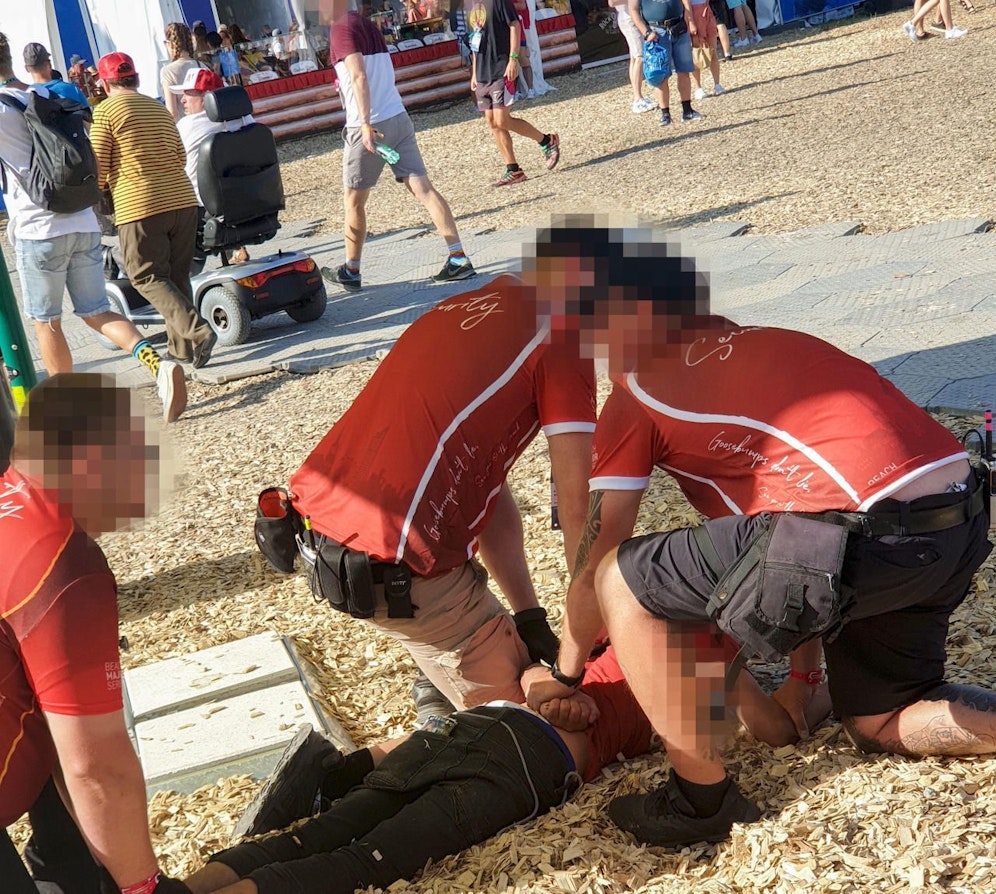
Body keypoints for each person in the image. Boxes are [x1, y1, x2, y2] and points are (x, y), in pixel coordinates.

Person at [523, 220, 994, 850]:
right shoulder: (771, 343)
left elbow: (596, 562)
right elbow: (787, 533)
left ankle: (698, 800)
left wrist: (567, 672)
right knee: (879, 721)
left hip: (860, 537)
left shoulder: (637, 391)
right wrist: (802, 685)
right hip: (958, 518)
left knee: (624, 580)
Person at [180, 644, 832, 894]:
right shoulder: (717, 660)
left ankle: (178, 890)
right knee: (366, 862)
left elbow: (536, 674)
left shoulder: (628, 621)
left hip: (480, 723)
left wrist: (552, 692)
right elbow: (780, 731)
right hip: (527, 766)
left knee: (316, 834)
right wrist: (808, 672)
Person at [256, 269, 597, 720]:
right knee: (539, 729)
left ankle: (436, 678)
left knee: (487, 660)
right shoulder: (567, 340)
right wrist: (575, 662)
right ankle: (418, 730)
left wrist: (529, 615)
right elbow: (580, 514)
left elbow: (485, 483)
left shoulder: (459, 310)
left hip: (323, 530)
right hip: (398, 565)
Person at [0, 373, 191, 894]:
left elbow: (62, 738)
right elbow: (96, 766)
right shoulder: (63, 568)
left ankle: (62, 875)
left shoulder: (11, 501)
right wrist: (143, 889)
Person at [0, 36, 185, 422]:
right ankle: (158, 364)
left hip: (38, 229)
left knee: (47, 322)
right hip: (82, 220)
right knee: (96, 310)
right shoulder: (43, 93)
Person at [323, 3, 477, 291]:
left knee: (353, 201)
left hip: (368, 124)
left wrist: (366, 124)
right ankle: (458, 258)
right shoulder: (365, 24)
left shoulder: (340, 28)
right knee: (424, 189)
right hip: (397, 115)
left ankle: (351, 269)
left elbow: (358, 76)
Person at [91, 51, 217, 368]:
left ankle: (198, 331)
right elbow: (180, 155)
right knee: (176, 276)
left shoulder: (106, 113)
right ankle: (181, 350)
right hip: (183, 200)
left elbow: (98, 166)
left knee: (145, 275)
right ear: (135, 78)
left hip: (140, 205)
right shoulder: (158, 108)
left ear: (106, 84)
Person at [469, 0, 560, 186]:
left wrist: (513, 59)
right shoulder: (472, 6)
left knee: (502, 119)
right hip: (482, 72)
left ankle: (547, 141)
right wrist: (474, 72)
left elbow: (514, 24)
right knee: (492, 122)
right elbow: (474, 39)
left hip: (502, 66)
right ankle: (513, 169)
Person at [173, 67, 251, 265]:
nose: (182, 100)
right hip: (250, 201)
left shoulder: (187, 126)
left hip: (203, 209)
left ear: (207, 98)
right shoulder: (247, 120)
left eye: (188, 95)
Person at [628, 0, 703, 125]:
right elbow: (633, 9)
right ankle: (665, 113)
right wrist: (646, 32)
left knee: (684, 71)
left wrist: (690, 21)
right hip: (656, 31)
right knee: (660, 74)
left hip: (679, 27)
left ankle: (687, 110)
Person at [609, 0, 657, 113]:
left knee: (635, 58)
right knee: (639, 57)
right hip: (629, 19)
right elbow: (612, 2)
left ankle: (639, 97)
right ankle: (637, 98)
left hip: (632, 18)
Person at [161, 22, 203, 121]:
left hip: (186, 128)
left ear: (170, 44)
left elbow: (172, 112)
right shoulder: (202, 66)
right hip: (207, 125)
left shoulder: (167, 71)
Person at [22, 42, 88, 105]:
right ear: (50, 65)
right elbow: (88, 114)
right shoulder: (73, 90)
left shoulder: (27, 98)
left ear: (26, 68)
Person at [689, 0, 725, 98]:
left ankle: (717, 84)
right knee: (696, 52)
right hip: (692, 12)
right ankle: (698, 87)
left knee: (712, 51)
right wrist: (691, 21)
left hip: (706, 10)